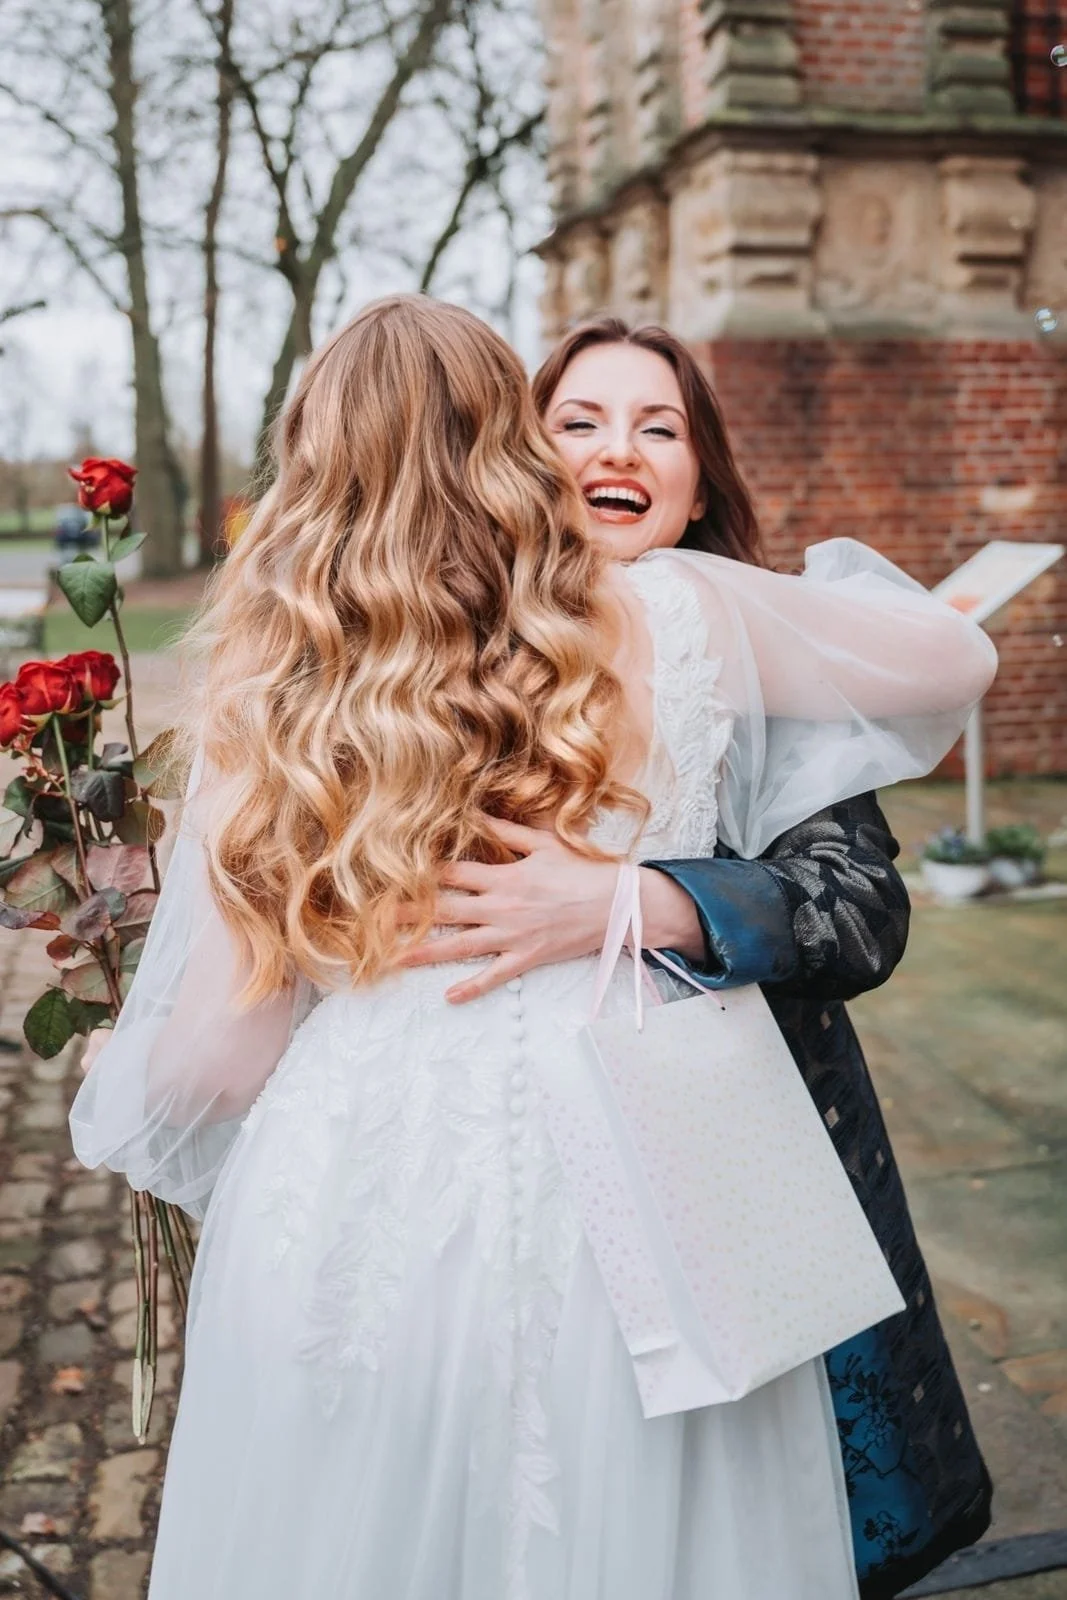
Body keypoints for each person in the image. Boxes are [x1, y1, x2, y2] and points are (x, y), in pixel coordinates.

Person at [70, 295, 996, 1600]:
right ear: (517, 442)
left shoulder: (279, 691)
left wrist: (120, 1065)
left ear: (314, 464)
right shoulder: (672, 613)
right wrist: (745, 588)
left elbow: (219, 1063)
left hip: (357, 1194)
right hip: (654, 1181)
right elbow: (949, 653)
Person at [401, 317, 995, 1598]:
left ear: (696, 473)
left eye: (657, 427)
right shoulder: (437, 646)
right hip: (481, 1173)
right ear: (516, 456)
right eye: (580, 423)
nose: (620, 450)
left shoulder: (750, 664)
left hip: (721, 1153)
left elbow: (856, 911)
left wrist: (640, 898)